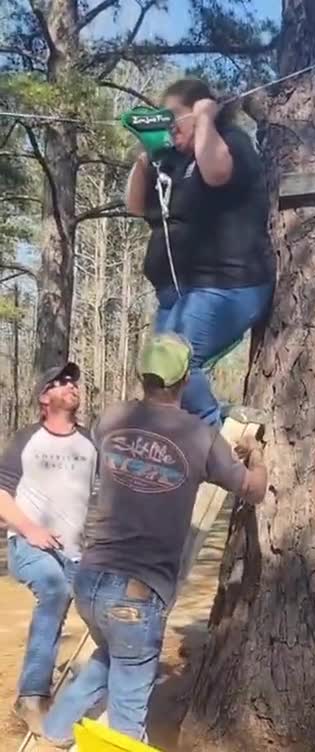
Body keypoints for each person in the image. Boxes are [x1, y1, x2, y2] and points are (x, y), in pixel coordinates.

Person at [39, 333, 268, 748]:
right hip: (137, 593)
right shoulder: (201, 437)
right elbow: (252, 489)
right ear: (186, 380)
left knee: (110, 658)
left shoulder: (111, 419)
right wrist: (256, 454)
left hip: (89, 581)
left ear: (142, 375)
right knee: (128, 711)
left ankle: (54, 732)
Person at [126, 78, 276, 426]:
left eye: (174, 117)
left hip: (227, 284)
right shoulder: (168, 162)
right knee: (156, 375)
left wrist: (206, 119)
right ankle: (213, 419)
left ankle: (214, 436)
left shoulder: (230, 142)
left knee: (178, 365)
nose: (168, 126)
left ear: (200, 108)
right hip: (176, 294)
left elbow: (217, 173)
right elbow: (135, 206)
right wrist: (145, 156)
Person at [0, 363, 97, 733]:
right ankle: (31, 698)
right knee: (54, 590)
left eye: (73, 381)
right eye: (60, 382)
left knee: (104, 610)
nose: (71, 385)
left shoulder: (90, 442)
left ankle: (85, 689)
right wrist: (30, 529)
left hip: (75, 553)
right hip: (28, 545)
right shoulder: (27, 439)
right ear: (44, 397)